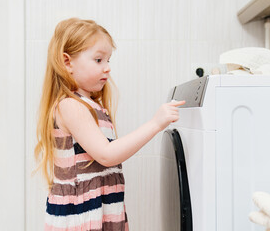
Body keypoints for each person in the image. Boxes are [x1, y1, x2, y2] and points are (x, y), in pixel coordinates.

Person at [34, 17, 185, 231]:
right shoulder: (70, 106)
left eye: (108, 60)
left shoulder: (94, 107)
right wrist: (155, 123)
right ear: (67, 62)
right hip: (81, 214)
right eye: (98, 60)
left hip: (101, 207)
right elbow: (107, 155)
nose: (107, 68)